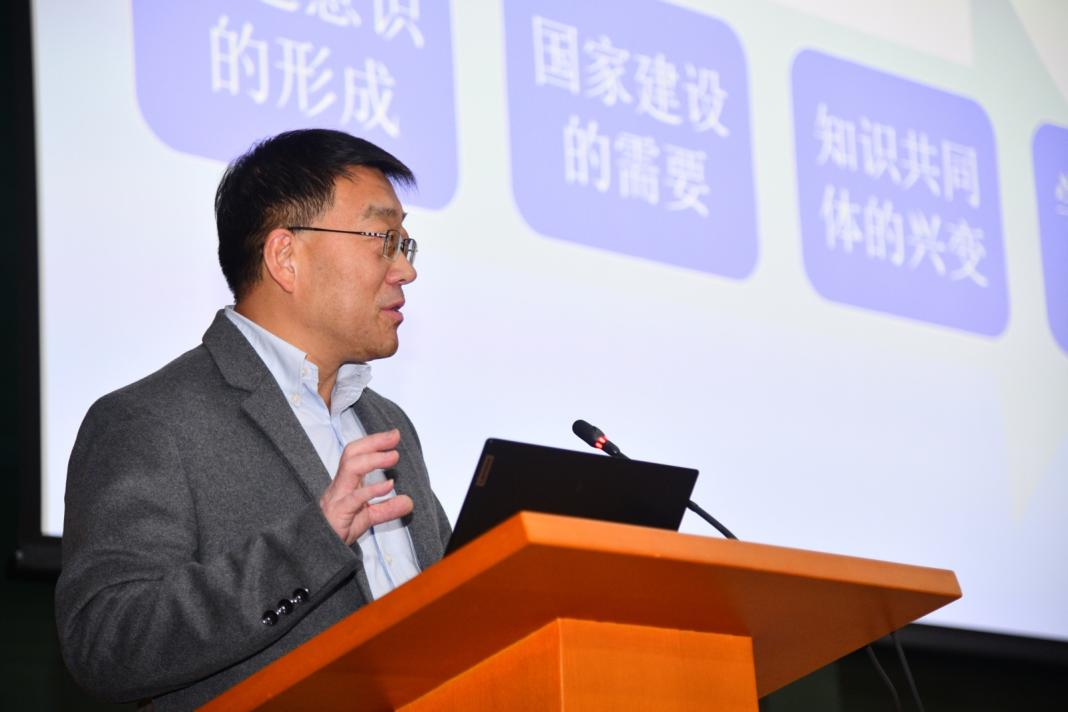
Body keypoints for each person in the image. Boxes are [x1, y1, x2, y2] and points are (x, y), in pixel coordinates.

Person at [54, 129, 452, 710]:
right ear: (285, 256)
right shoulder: (148, 421)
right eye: (383, 239)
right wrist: (311, 545)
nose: (404, 271)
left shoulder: (387, 424)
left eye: (406, 245)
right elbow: (106, 643)